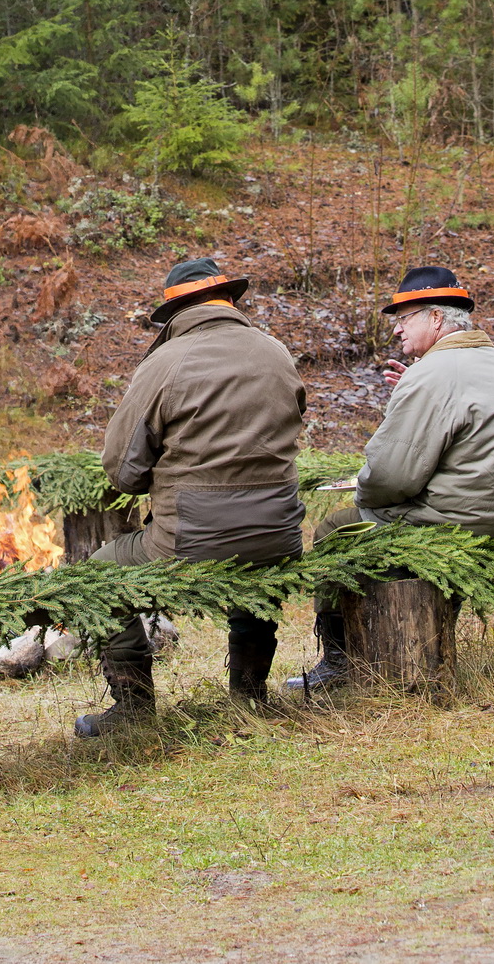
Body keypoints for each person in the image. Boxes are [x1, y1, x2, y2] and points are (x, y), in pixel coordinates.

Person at [74, 254, 307, 737]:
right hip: (280, 532)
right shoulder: (277, 352)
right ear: (228, 300)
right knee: (254, 573)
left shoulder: (165, 362)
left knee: (99, 574)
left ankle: (134, 710)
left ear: (175, 314)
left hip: (193, 538)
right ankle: (249, 696)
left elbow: (122, 470)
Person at [291, 262, 494, 691]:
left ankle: (339, 664)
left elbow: (391, 478)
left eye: (404, 318)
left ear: (435, 318)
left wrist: (364, 493)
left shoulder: (432, 375)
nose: (396, 329)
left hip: (465, 520)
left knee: (334, 529)